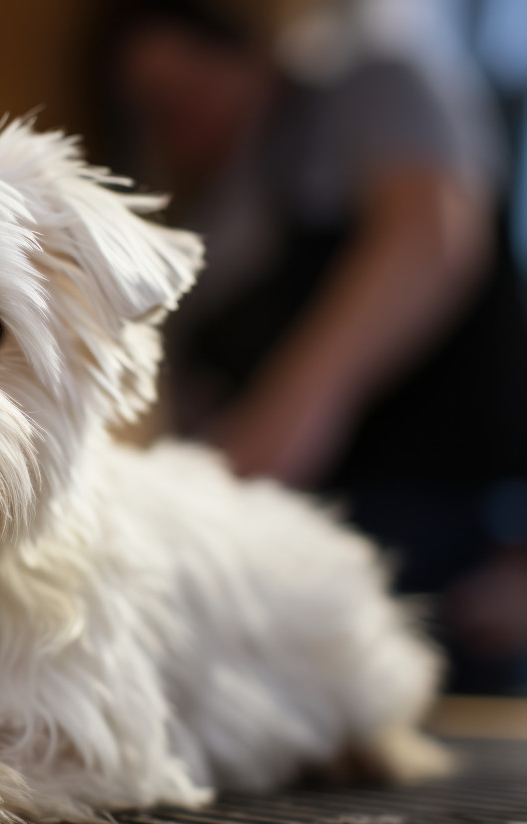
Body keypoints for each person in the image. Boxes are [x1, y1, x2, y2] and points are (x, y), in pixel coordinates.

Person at [92, 0, 527, 692]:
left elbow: (430, 234)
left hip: (445, 541)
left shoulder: (369, 90)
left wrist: (294, 411)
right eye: (160, 109)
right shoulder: (211, 214)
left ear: (249, 49)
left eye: (196, 87)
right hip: (307, 569)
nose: (187, 119)